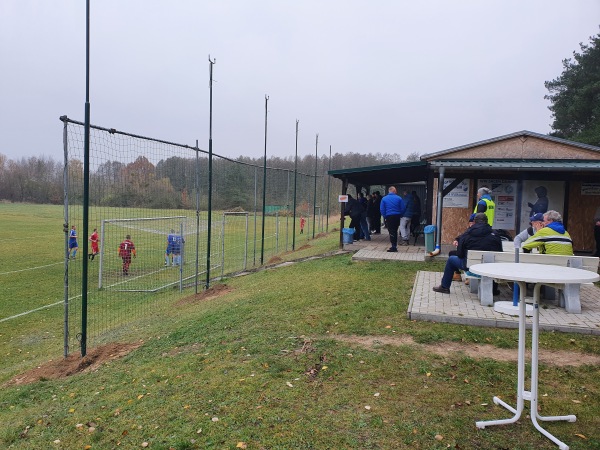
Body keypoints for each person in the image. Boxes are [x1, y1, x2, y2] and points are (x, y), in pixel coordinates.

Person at [432, 213, 503, 294]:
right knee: (492, 262)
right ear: (487, 222)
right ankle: (493, 290)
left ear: (474, 222)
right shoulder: (495, 235)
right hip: (490, 268)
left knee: (451, 260)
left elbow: (459, 254)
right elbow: (499, 251)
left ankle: (444, 287)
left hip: (470, 266)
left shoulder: (468, 234)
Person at [379, 186, 406, 252]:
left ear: (389, 191)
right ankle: (394, 246)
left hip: (389, 216)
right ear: (393, 191)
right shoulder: (399, 198)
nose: (396, 192)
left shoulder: (384, 199)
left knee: (391, 231)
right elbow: (403, 208)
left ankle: (393, 247)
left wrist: (385, 216)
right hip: (397, 216)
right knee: (395, 230)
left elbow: (382, 209)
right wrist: (401, 215)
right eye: (396, 190)